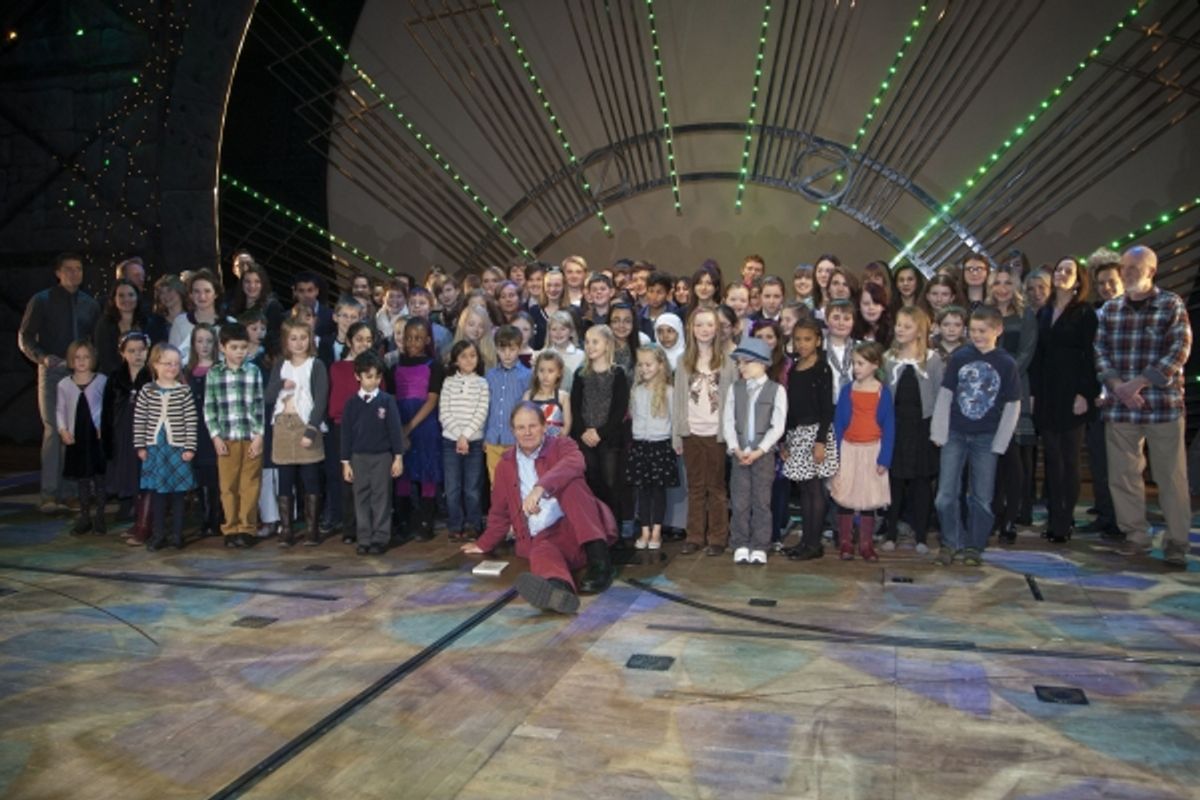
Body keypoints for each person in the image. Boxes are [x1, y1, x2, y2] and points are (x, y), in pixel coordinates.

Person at [461, 402, 618, 614]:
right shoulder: (505, 465)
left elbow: (576, 463)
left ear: (544, 426)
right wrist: (484, 544)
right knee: (541, 553)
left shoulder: (562, 445)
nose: (527, 432)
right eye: (521, 427)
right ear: (513, 430)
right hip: (543, 536)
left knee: (573, 485)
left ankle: (600, 563)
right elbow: (499, 512)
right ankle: (558, 591)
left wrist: (540, 488)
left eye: (532, 426)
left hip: (576, 529)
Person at [1094, 246, 1192, 567]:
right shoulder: (1111, 310)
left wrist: (1137, 383)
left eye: (1135, 268)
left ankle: (1177, 541)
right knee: (1123, 476)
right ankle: (1136, 536)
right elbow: (1100, 352)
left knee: (1170, 477)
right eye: (1125, 267)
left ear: (1152, 270)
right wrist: (1116, 386)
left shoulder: (1171, 305)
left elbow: (1178, 351)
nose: (1128, 273)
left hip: (1162, 406)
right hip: (1121, 408)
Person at [931, 306, 1021, 567]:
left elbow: (1013, 405)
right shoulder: (960, 357)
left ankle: (974, 545)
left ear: (998, 330)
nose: (977, 336)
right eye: (973, 331)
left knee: (981, 496)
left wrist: (1001, 441)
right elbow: (946, 395)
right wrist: (939, 431)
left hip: (986, 437)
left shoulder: (1006, 363)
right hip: (955, 434)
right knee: (945, 494)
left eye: (983, 331)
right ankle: (951, 541)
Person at [19, 253, 102, 513]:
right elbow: (25, 336)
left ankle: (72, 493)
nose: (74, 273)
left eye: (78, 269)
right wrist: (43, 358)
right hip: (54, 373)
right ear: (58, 272)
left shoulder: (90, 304)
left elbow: (96, 339)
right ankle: (50, 495)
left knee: (76, 432)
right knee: (55, 430)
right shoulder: (42, 300)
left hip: (81, 375)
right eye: (69, 269)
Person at [672, 308, 736, 556]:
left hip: (716, 434)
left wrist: (730, 435)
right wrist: (678, 434)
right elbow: (678, 400)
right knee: (696, 487)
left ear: (717, 328)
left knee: (717, 487)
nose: (704, 330)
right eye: (699, 325)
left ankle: (718, 537)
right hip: (692, 433)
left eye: (709, 325)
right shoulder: (683, 361)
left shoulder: (728, 363)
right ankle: (695, 535)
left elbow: (731, 401)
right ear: (691, 329)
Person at [721, 337, 787, 565]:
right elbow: (728, 421)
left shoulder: (776, 390)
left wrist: (760, 450)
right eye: (739, 362)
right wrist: (735, 448)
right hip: (740, 454)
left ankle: (760, 544)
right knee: (739, 501)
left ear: (763, 363)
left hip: (763, 456)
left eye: (746, 362)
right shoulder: (735, 389)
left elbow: (777, 425)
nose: (741, 367)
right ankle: (739, 542)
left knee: (761, 501)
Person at [882, 307, 943, 554]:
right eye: (898, 325)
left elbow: (940, 397)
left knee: (921, 483)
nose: (900, 330)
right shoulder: (888, 358)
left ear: (919, 330)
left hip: (922, 428)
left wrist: (938, 431)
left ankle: (920, 536)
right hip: (896, 428)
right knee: (893, 483)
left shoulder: (933, 359)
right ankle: (890, 533)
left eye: (907, 326)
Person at [265, 318, 329, 547]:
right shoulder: (281, 364)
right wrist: (282, 384)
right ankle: (287, 530)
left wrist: (311, 430)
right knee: (285, 479)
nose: (299, 343)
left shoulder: (316, 365)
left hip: (306, 425)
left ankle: (312, 529)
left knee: (310, 477)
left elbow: (321, 399)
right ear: (286, 341)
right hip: (284, 425)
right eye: (294, 338)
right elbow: (269, 396)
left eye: (303, 338)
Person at [987, 265, 1038, 544]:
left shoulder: (1025, 314)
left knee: (1014, 458)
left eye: (1008, 282)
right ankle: (994, 513)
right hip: (987, 393)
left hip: (1015, 388)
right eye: (998, 282)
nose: (1003, 288)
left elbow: (1027, 351)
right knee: (993, 457)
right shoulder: (985, 313)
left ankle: (1011, 518)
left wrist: (1003, 376)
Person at [830, 342, 894, 561]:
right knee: (846, 497)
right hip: (849, 449)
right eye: (853, 363)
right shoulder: (848, 390)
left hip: (871, 450)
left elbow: (889, 427)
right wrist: (835, 455)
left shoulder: (882, 393)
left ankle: (867, 544)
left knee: (868, 499)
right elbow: (838, 424)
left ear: (875, 365)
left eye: (860, 363)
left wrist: (884, 457)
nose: (855, 368)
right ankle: (846, 542)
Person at [204, 323, 265, 549]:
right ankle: (230, 528)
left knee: (250, 484)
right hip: (227, 438)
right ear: (222, 348)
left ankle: (247, 528)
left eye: (243, 347)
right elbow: (209, 408)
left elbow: (259, 406)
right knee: (228, 485)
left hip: (250, 437)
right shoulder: (214, 373)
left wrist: (259, 436)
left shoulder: (253, 372)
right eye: (234, 347)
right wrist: (215, 437)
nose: (239, 352)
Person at [781, 319, 837, 561]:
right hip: (797, 435)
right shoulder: (794, 368)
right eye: (798, 339)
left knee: (815, 490)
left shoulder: (822, 369)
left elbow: (827, 409)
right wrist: (785, 440)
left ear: (818, 341)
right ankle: (805, 541)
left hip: (815, 434)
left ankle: (814, 544)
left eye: (807, 339)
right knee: (804, 490)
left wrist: (821, 441)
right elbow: (791, 408)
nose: (802, 344)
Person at [133, 344, 197, 551]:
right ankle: (158, 533)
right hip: (155, 449)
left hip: (177, 449)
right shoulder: (147, 390)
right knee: (158, 493)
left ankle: (176, 535)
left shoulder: (184, 391)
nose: (172, 367)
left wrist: (190, 447)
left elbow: (190, 421)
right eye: (167, 363)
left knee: (178, 494)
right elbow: (140, 420)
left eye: (176, 363)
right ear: (155, 364)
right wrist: (140, 446)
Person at [341, 351, 406, 556]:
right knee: (361, 498)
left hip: (382, 457)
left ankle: (380, 537)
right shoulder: (351, 404)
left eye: (377, 377)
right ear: (357, 376)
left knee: (381, 498)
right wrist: (346, 462)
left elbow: (395, 430)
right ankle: (364, 538)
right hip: (359, 457)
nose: (374, 381)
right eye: (369, 376)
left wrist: (398, 457)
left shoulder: (386, 401)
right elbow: (346, 434)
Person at [1079, 250, 1123, 538]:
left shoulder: (1133, 311)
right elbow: (1093, 356)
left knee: (1123, 466)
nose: (1106, 288)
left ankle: (1123, 520)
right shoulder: (1096, 313)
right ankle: (1106, 514)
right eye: (1101, 284)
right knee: (1099, 460)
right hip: (1100, 399)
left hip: (1129, 401)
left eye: (1111, 282)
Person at [390, 316, 443, 541]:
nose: (413, 342)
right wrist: (398, 429)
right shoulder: (393, 367)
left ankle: (425, 522)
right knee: (403, 473)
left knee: (427, 473)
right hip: (399, 421)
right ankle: (403, 522)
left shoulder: (435, 366)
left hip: (424, 425)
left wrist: (408, 427)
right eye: (409, 337)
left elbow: (431, 400)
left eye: (419, 338)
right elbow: (391, 398)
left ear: (427, 339)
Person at [569, 325, 630, 517]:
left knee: (611, 482)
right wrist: (584, 432)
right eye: (586, 342)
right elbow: (575, 407)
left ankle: (613, 527)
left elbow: (619, 410)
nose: (590, 346)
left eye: (595, 341)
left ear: (607, 344)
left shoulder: (617, 374)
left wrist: (600, 433)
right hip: (585, 437)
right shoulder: (580, 374)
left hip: (609, 438)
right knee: (590, 478)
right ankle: (594, 525)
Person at [327, 321, 377, 542]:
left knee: (371, 480)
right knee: (348, 479)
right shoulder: (337, 368)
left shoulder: (376, 367)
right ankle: (350, 527)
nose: (364, 344)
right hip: (344, 428)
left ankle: (370, 526)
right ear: (349, 341)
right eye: (359, 339)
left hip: (371, 430)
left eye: (368, 340)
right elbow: (336, 403)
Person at [627, 346, 678, 551]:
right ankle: (645, 530)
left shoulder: (669, 391)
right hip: (640, 445)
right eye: (640, 365)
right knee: (643, 491)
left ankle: (656, 530)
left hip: (660, 445)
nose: (644, 368)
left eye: (649, 364)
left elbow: (674, 419)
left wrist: (676, 442)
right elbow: (633, 416)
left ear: (660, 365)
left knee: (658, 491)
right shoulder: (636, 391)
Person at [440, 341, 489, 542]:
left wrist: (466, 436)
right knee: (452, 487)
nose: (469, 360)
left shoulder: (482, 384)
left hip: (474, 443)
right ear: (456, 361)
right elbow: (444, 412)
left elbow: (481, 412)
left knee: (472, 488)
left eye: (472, 355)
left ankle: (473, 524)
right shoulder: (448, 382)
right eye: (463, 356)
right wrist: (459, 436)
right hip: (451, 442)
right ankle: (455, 524)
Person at [57, 340, 108, 534]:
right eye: (77, 357)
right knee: (82, 478)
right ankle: (85, 516)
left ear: (93, 359)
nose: (81, 361)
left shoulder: (102, 381)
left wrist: (104, 426)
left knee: (100, 477)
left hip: (96, 436)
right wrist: (63, 430)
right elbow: (60, 409)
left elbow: (108, 407)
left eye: (86, 357)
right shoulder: (64, 385)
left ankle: (101, 516)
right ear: (71, 360)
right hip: (77, 436)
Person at [101, 332, 151, 530]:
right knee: (123, 465)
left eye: (141, 350)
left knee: (141, 467)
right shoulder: (115, 377)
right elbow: (107, 410)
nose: (137, 355)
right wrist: (107, 438)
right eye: (131, 351)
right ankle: (126, 502)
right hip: (122, 429)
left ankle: (143, 508)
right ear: (122, 353)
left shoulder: (152, 375)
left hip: (145, 430)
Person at [186, 324, 222, 539]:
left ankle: (217, 518)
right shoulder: (187, 371)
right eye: (199, 341)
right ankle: (205, 518)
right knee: (200, 475)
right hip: (195, 428)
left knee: (215, 474)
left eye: (208, 341)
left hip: (215, 428)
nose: (204, 345)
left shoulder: (220, 368)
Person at [94, 280, 167, 374]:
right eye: (121, 295)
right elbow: (104, 358)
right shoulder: (104, 324)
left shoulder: (150, 323)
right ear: (114, 299)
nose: (126, 299)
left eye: (131, 295)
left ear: (137, 297)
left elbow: (156, 353)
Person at [228, 264, 286, 356]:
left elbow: (275, 339)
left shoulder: (272, 307)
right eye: (247, 281)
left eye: (257, 282)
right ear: (241, 284)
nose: (252, 286)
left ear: (263, 284)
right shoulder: (233, 307)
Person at [524, 351, 570, 438]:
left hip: (556, 445)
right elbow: (523, 420)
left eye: (550, 371)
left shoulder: (563, 397)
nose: (545, 375)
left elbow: (567, 425)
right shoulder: (528, 395)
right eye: (541, 370)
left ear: (559, 373)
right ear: (536, 372)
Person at [293, 272, 335, 340]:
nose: (306, 295)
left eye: (310, 290)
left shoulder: (331, 316)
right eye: (301, 291)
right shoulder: (286, 317)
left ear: (317, 291)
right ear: (295, 292)